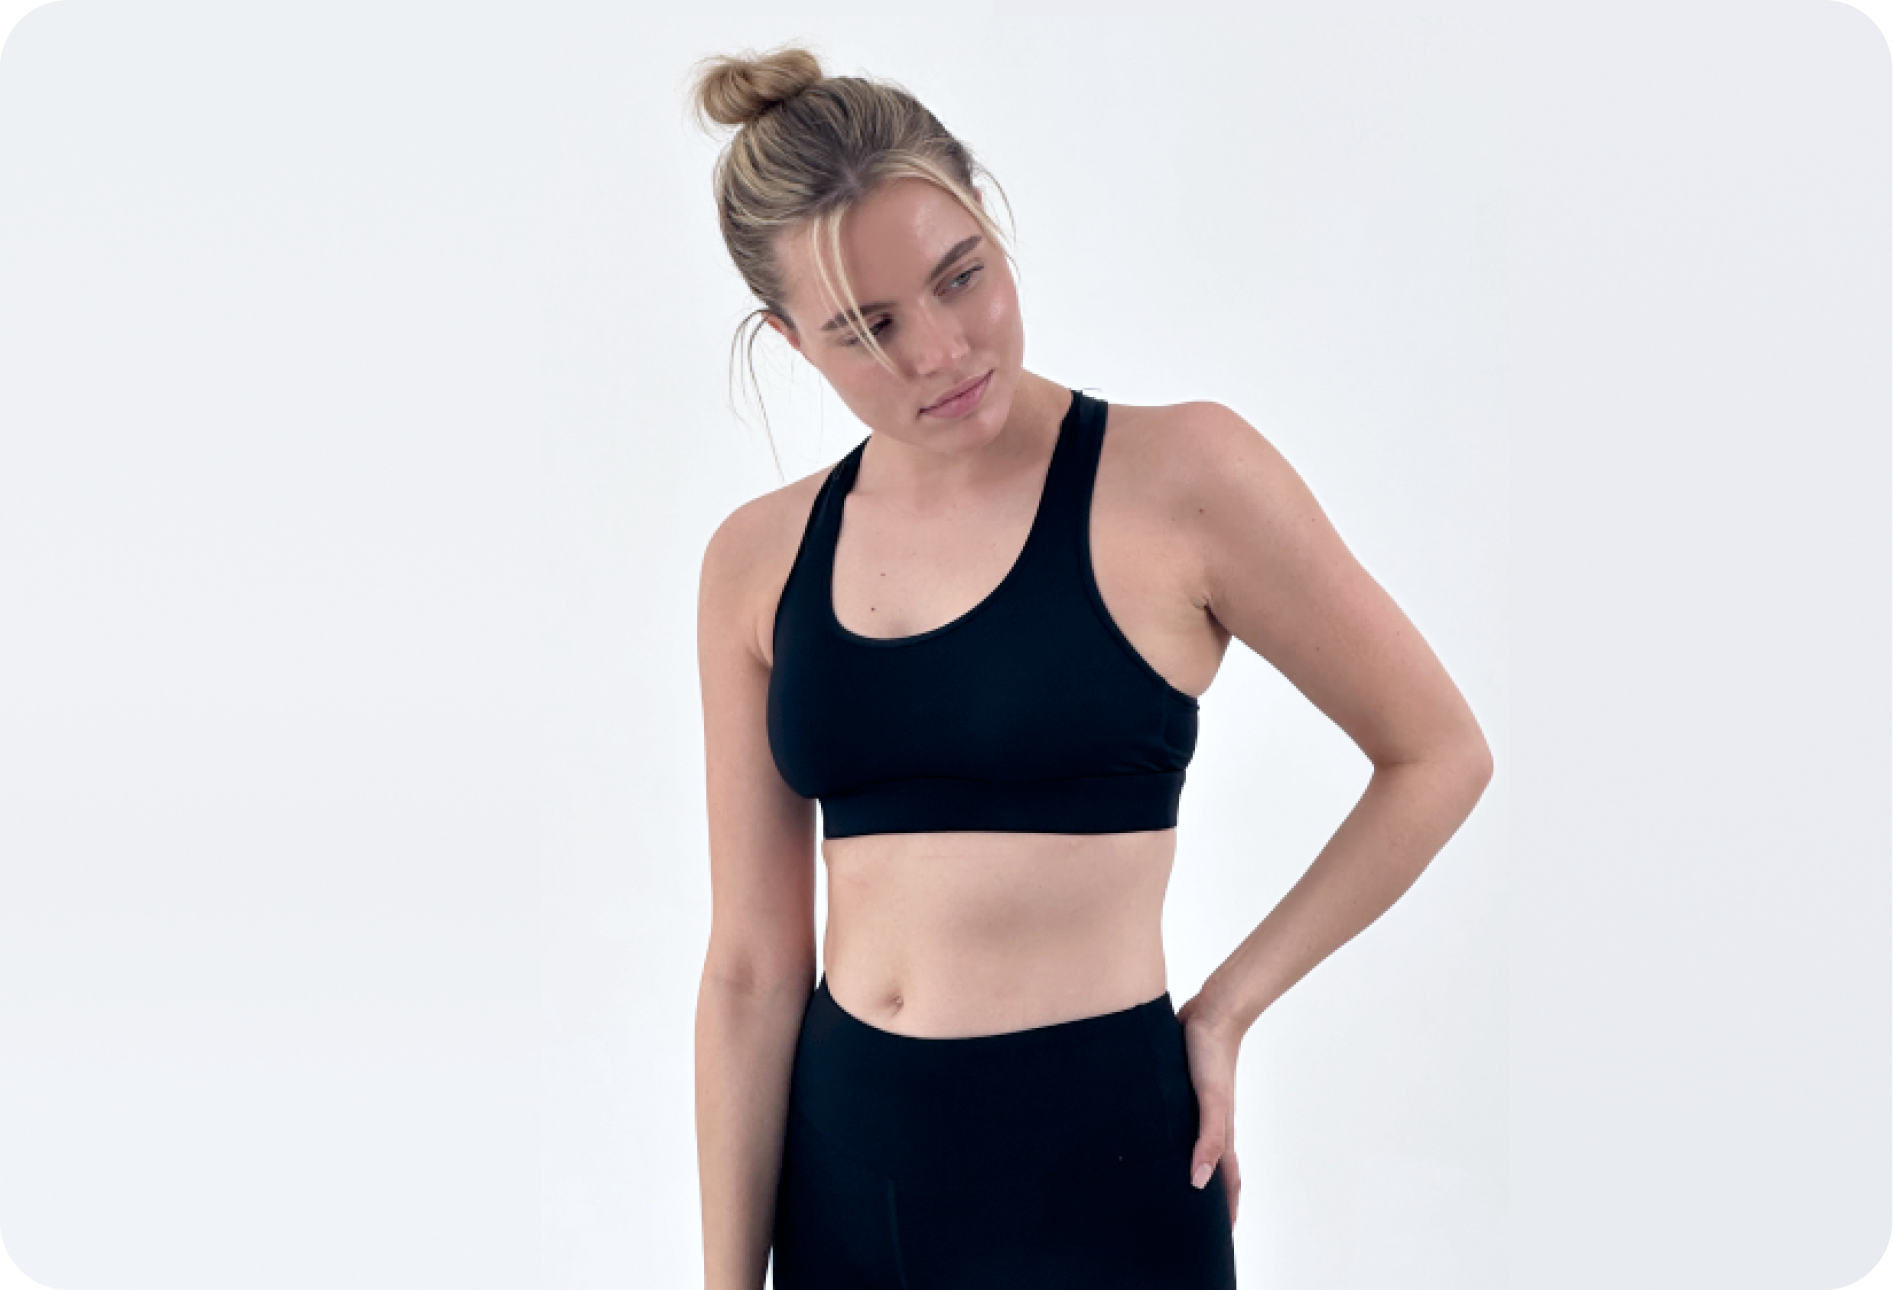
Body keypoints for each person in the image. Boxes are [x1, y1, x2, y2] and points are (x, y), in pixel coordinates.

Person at [688, 45, 1493, 1290]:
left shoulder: (1185, 480)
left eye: (961, 277)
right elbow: (751, 969)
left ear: (989, 219)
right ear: (792, 343)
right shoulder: (758, 559)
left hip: (1104, 1173)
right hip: (846, 1179)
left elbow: (1437, 754)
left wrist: (1226, 1007)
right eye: (867, 328)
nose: (940, 351)